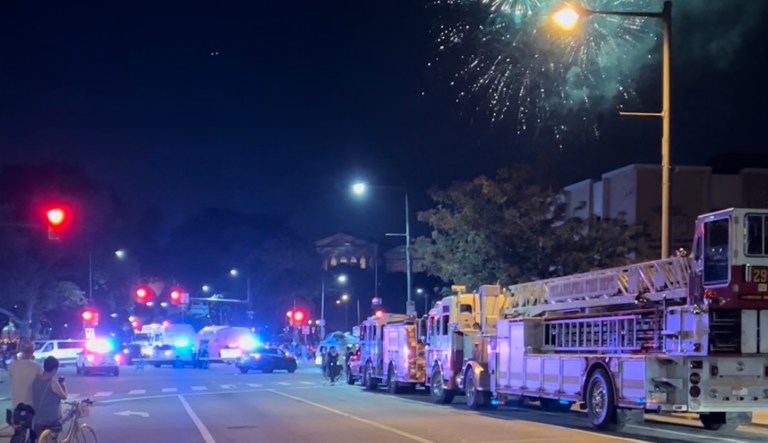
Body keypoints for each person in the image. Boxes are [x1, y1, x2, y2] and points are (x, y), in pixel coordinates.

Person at [32, 356, 67, 436]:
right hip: (50, 419)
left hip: (37, 417)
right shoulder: (52, 383)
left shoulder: (35, 379)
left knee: (39, 438)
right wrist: (63, 385)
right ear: (54, 369)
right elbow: (64, 396)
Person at [8, 339, 41, 408]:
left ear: (21, 351)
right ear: (33, 351)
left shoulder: (12, 365)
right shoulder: (36, 367)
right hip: (31, 405)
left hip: (16, 405)